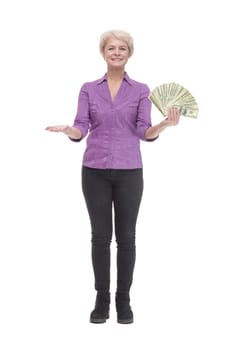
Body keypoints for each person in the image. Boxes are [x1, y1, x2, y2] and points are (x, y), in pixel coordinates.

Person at [46, 29, 180, 324]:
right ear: (103, 52)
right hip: (94, 171)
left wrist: (164, 125)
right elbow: (81, 125)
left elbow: (143, 131)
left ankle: (124, 299)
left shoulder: (141, 90)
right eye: (111, 48)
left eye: (122, 48)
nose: (116, 52)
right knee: (100, 238)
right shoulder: (88, 89)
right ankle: (101, 298)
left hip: (130, 171)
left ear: (129, 53)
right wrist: (70, 131)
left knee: (127, 238)